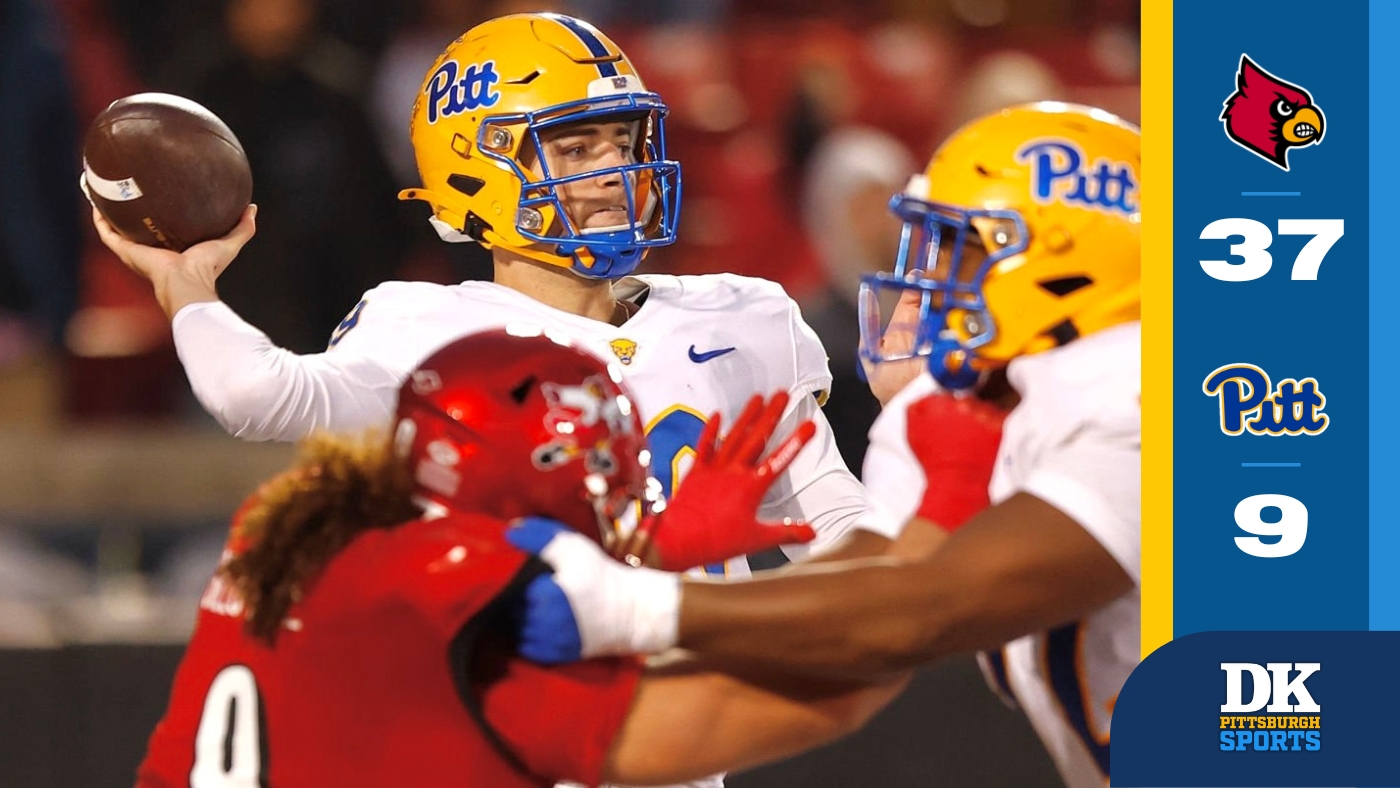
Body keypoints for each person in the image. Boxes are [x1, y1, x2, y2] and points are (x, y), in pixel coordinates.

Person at [91, 12, 888, 579]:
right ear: (479, 168)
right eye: (575, 146)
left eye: (625, 141)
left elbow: (844, 535)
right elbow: (254, 396)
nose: (615, 172)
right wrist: (183, 280)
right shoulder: (426, 330)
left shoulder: (741, 318)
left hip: (683, 751)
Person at [509, 103, 1142, 788]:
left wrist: (638, 604)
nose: (921, 285)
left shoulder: (1162, 400)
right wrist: (516, 736)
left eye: (956, 250)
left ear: (1062, 269)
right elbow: (842, 659)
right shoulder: (963, 412)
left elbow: (920, 612)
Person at [136, 328, 903, 787]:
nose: (625, 481)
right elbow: (720, 718)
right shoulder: (458, 585)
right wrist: (919, 611)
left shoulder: (297, 528)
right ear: (501, 463)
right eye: (596, 458)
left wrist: (645, 552)